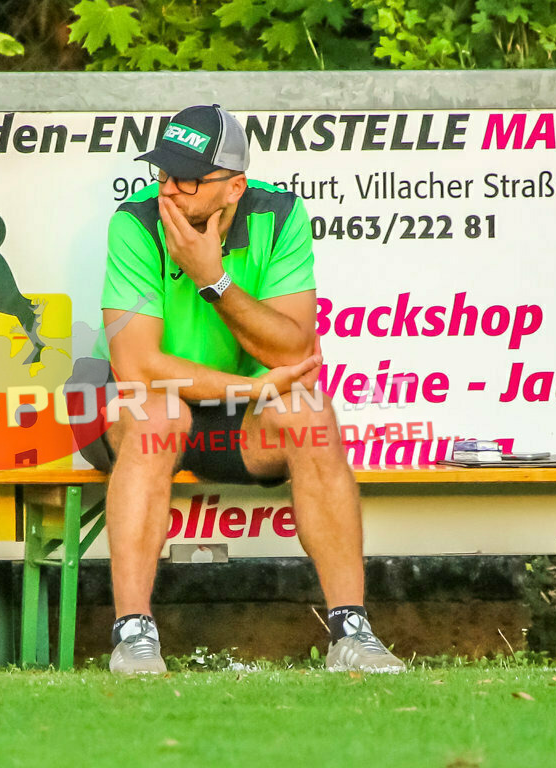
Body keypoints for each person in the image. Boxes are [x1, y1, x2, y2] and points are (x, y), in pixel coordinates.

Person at [88, 104, 404, 675]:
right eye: (161, 172)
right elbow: (137, 366)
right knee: (157, 416)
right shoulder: (134, 223)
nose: (168, 191)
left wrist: (215, 280)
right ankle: (133, 636)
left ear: (234, 186)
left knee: (311, 412)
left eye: (186, 178)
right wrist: (248, 389)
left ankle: (351, 632)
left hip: (241, 428)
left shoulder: (279, 216)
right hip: (157, 412)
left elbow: (291, 350)